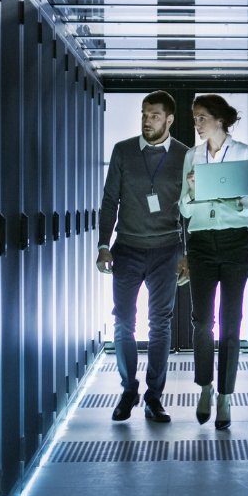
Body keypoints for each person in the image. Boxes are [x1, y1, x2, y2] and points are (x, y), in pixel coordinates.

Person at [97, 91, 191, 422]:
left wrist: (188, 255)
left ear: (169, 120)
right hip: (128, 247)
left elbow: (191, 209)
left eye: (154, 116)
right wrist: (102, 245)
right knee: (123, 320)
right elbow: (110, 201)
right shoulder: (123, 151)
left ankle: (154, 396)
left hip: (167, 250)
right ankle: (127, 390)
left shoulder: (184, 155)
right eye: (143, 114)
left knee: (160, 325)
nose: (146, 120)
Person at [179, 95, 248, 428]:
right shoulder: (192, 156)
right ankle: (205, 387)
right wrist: (191, 192)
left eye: (201, 118)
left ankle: (225, 398)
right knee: (202, 321)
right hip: (200, 242)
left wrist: (233, 201)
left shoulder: (243, 153)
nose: (197, 125)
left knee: (230, 323)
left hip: (234, 242)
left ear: (219, 121)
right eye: (195, 118)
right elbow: (184, 210)